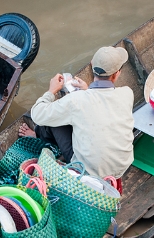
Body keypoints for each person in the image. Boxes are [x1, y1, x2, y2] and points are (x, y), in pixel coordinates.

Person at [18, 46, 134, 182]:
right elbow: (104, 102)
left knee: (55, 119)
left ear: (91, 64)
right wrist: (87, 89)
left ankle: (37, 135)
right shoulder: (127, 93)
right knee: (77, 116)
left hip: (88, 172)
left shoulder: (76, 100)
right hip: (122, 166)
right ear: (116, 74)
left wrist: (52, 91)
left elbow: (37, 114)